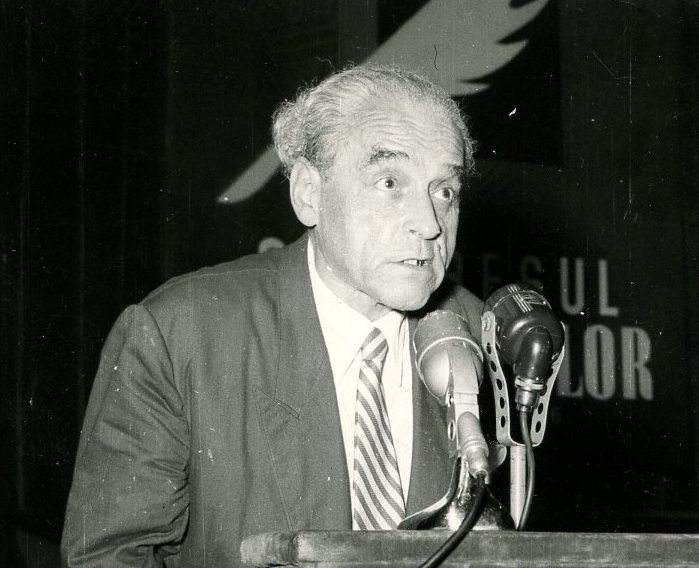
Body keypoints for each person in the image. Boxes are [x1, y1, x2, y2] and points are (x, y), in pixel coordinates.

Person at [61, 64, 483, 567]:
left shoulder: (487, 336)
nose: (429, 223)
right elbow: (107, 557)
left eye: (444, 191)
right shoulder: (182, 333)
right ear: (308, 193)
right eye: (390, 181)